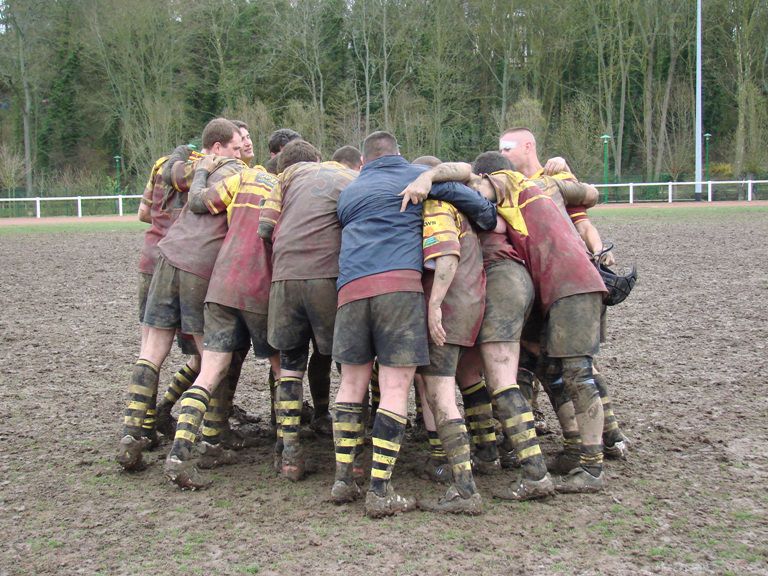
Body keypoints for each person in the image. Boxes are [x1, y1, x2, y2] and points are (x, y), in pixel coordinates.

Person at [329, 131, 497, 518]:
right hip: (399, 289)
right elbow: (470, 182)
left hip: (350, 290)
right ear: (398, 153)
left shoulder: (350, 192)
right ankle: (380, 491)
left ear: (363, 161)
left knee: (351, 385)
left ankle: (342, 480)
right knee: (394, 388)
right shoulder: (414, 176)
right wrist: (428, 177)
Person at [475, 152, 610, 493]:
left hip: (569, 286)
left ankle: (592, 469)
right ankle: (576, 452)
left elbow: (479, 192)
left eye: (481, 180)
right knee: (556, 371)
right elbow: (589, 194)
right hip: (574, 283)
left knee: (578, 375)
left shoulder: (507, 182)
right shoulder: (542, 187)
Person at [116, 118, 245, 471]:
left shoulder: (177, 166)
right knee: (213, 359)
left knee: (151, 352)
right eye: (237, 145)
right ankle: (209, 441)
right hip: (200, 267)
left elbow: (150, 205)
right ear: (218, 147)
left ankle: (131, 436)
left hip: (165, 256)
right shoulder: (239, 174)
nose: (241, 151)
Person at [499, 127, 630, 461]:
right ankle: (541, 439)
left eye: (508, 148)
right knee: (535, 361)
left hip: (565, 280)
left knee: (577, 365)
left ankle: (607, 437)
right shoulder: (507, 181)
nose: (502, 154)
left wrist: (599, 252)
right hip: (535, 284)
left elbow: (583, 217)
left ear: (528, 146)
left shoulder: (555, 178)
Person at [164, 160, 281, 489]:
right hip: (259, 289)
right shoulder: (283, 187)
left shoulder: (243, 178)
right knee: (282, 368)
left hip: (219, 287)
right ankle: (289, 453)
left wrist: (200, 171)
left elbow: (198, 201)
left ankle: (186, 452)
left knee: (210, 371)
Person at [256, 139, 358, 481]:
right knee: (348, 363)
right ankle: (353, 453)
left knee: (290, 366)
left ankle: (290, 454)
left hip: (286, 277)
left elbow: (265, 228)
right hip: (328, 277)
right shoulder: (345, 175)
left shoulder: (285, 178)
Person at [136, 151, 203, 445]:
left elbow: (143, 213)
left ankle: (143, 424)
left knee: (150, 350)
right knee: (205, 356)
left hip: (151, 261)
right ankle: (169, 408)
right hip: (185, 265)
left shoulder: (160, 165)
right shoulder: (208, 169)